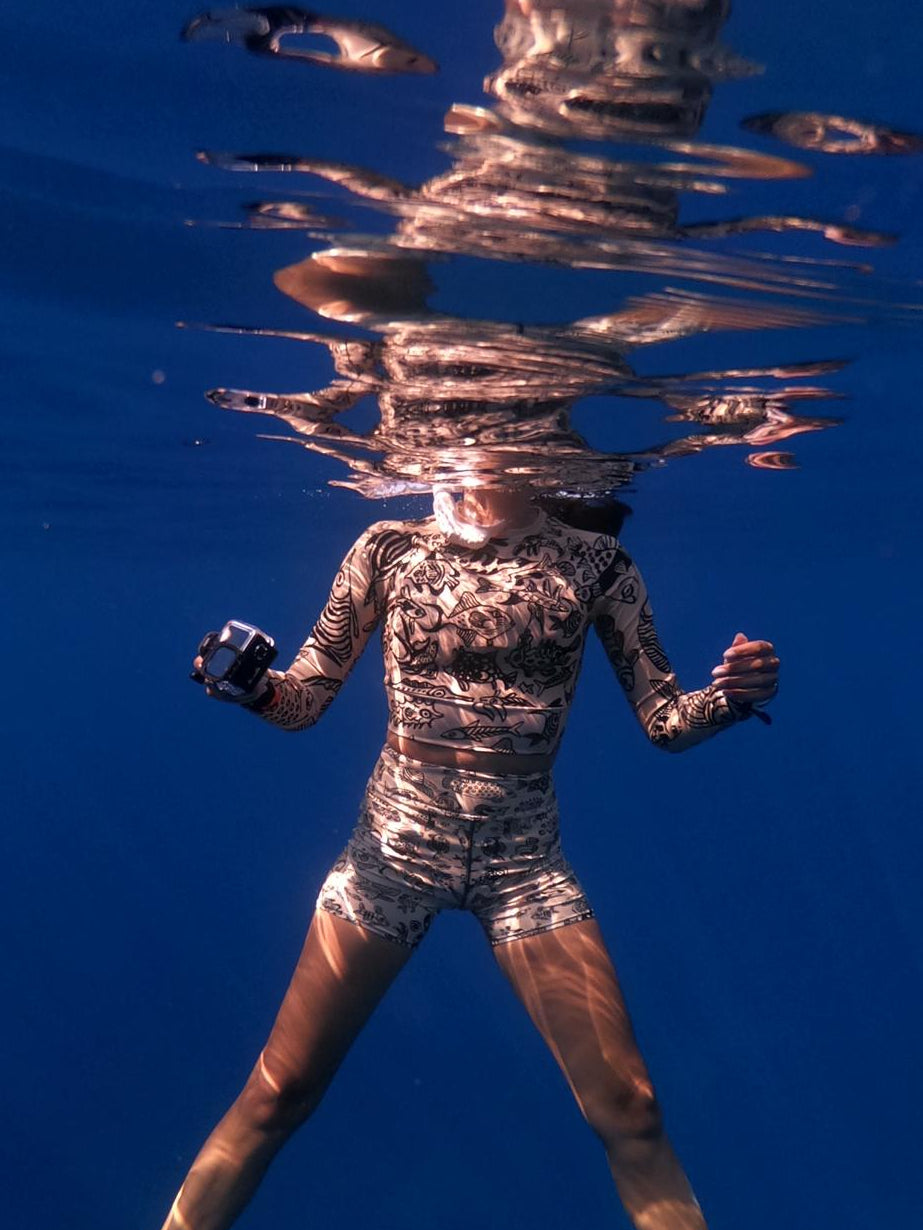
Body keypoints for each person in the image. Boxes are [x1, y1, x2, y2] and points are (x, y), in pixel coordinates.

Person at [163, 484, 779, 1230]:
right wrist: (255, 687)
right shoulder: (386, 546)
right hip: (393, 850)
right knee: (279, 1090)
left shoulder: (599, 564)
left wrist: (731, 699)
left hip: (524, 864)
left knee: (631, 1107)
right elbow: (305, 702)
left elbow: (664, 722)